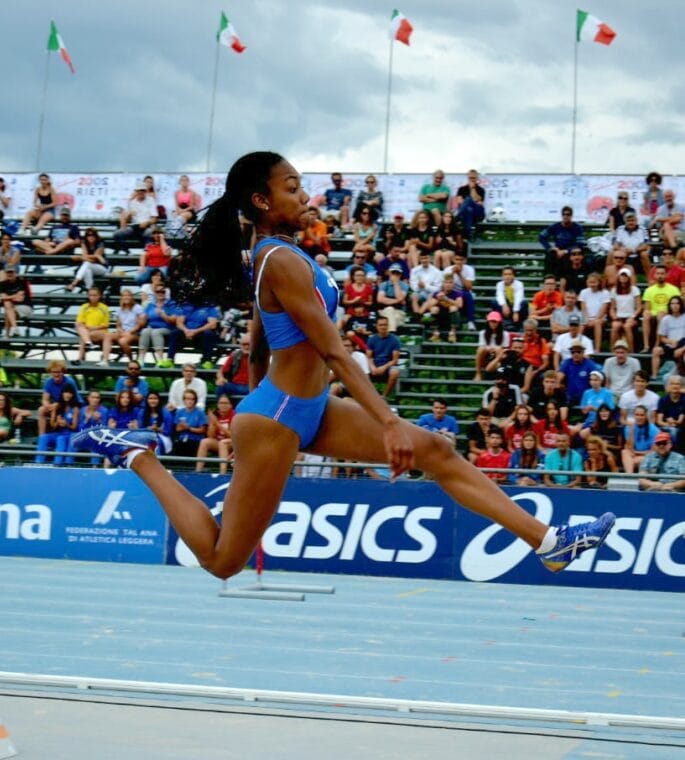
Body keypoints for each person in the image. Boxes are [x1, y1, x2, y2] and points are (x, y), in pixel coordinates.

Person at [73, 151, 614, 579]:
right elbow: (334, 351)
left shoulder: (280, 257)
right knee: (222, 560)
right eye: (291, 188)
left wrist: (252, 409)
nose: (304, 196)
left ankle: (549, 542)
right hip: (279, 417)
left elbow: (258, 345)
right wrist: (386, 422)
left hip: (298, 409)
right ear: (261, 200)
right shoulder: (278, 260)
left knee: (437, 450)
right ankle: (138, 455)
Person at [35, 384, 80, 465]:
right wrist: (57, 422)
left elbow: (74, 427)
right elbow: (52, 426)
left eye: (69, 393)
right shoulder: (57, 406)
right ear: (62, 393)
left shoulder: (75, 408)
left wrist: (66, 424)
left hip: (69, 434)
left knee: (61, 439)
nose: (67, 395)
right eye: (65, 392)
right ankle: (39, 462)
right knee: (44, 437)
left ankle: (57, 463)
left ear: (73, 395)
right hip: (59, 433)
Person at [98, 289, 145, 367]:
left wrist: (129, 332)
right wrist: (119, 330)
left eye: (128, 295)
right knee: (107, 335)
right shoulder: (120, 310)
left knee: (122, 341)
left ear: (131, 297)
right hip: (123, 333)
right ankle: (105, 360)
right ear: (122, 298)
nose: (126, 297)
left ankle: (131, 361)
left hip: (135, 334)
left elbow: (140, 324)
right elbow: (118, 325)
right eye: (124, 296)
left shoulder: (137, 308)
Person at [37, 360, 82, 437]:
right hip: (58, 407)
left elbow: (75, 400)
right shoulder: (48, 382)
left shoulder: (69, 381)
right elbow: (45, 399)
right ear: (50, 372)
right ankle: (41, 436)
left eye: (58, 372)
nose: (56, 374)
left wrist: (58, 404)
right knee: (41, 410)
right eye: (53, 372)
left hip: (71, 406)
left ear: (63, 372)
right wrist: (48, 406)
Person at [641, 265, 680, 352]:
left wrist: (666, 312)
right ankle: (646, 346)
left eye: (662, 274)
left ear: (666, 275)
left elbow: (677, 307)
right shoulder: (649, 290)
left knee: (660, 314)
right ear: (654, 275)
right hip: (653, 314)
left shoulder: (674, 289)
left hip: (667, 314)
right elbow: (647, 308)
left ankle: (657, 344)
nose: (660, 276)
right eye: (658, 273)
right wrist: (647, 313)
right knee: (646, 314)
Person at [539, 206, 586, 277]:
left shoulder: (577, 227)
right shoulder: (555, 226)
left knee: (567, 259)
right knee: (550, 255)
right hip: (557, 251)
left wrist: (565, 251)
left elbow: (580, 244)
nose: (565, 216)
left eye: (568, 214)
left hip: (570, 252)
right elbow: (541, 236)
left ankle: (564, 279)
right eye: (564, 214)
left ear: (571, 216)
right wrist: (550, 248)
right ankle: (549, 278)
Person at [138, 286, 179, 366]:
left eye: (162, 292)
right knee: (145, 331)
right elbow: (144, 320)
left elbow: (173, 320)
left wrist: (162, 315)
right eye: (158, 292)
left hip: (167, 328)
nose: (160, 293)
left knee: (156, 332)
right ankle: (141, 359)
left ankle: (160, 359)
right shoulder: (150, 305)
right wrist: (142, 318)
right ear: (154, 293)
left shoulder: (170, 304)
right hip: (152, 327)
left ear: (166, 293)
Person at [195, 395, 235, 474]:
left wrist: (217, 423)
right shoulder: (215, 415)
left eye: (226, 403)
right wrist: (212, 424)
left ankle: (222, 473)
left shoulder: (234, 415)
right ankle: (198, 470)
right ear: (218, 405)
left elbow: (232, 435)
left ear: (230, 405)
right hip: (219, 442)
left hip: (233, 443)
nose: (223, 405)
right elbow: (210, 436)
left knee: (222, 443)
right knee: (204, 442)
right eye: (221, 403)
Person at [557, 339, 601, 407]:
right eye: (573, 352)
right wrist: (559, 383)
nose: (576, 354)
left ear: (583, 352)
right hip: (570, 397)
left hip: (587, 397)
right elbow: (559, 375)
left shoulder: (589, 364)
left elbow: (598, 377)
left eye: (578, 352)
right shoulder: (567, 362)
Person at [114, 182, 158, 248]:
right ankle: (126, 250)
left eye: (142, 190)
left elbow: (155, 219)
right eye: (139, 190)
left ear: (145, 191)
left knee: (148, 233)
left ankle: (147, 251)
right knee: (117, 234)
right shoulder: (132, 202)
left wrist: (147, 222)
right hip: (134, 227)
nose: (141, 192)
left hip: (146, 227)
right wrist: (129, 215)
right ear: (136, 192)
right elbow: (127, 220)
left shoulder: (151, 200)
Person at [73, 287, 110, 364]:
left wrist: (93, 328)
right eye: (90, 295)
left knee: (84, 336)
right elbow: (80, 321)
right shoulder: (84, 306)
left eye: (95, 295)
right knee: (78, 325)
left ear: (99, 296)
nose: (92, 297)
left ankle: (80, 358)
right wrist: (86, 327)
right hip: (86, 331)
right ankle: (88, 343)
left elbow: (105, 325)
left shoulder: (104, 307)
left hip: (99, 332)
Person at [366, 315, 401, 397]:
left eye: (385, 325)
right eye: (381, 325)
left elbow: (395, 360)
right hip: (374, 364)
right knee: (361, 369)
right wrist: (372, 367)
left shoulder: (395, 340)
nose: (383, 327)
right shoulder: (372, 339)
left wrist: (384, 367)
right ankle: (368, 395)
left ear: (388, 326)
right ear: (377, 326)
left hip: (388, 365)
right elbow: (369, 357)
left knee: (395, 372)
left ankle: (384, 396)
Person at [0, 265, 32, 337]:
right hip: (12, 308)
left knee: (7, 308)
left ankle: (7, 335)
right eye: (8, 272)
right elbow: (7, 297)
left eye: (11, 272)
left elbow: (20, 298)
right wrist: (12, 297)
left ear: (15, 273)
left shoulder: (23, 282)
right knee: (7, 305)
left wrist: (1, 298)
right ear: (5, 273)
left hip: (25, 306)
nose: (10, 274)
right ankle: (15, 329)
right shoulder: (3, 284)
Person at [608, 269, 642, 351]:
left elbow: (639, 307)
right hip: (619, 317)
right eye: (622, 276)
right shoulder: (614, 290)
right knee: (615, 326)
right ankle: (613, 350)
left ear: (629, 278)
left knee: (627, 326)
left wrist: (633, 317)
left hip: (631, 316)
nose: (623, 278)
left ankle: (631, 351)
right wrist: (614, 316)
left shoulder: (634, 289)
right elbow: (612, 308)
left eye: (625, 276)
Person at [424, 273, 462, 343]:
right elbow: (428, 306)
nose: (448, 285)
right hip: (439, 317)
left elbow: (460, 305)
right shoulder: (437, 293)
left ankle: (452, 334)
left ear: (454, 284)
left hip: (452, 318)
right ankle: (435, 334)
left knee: (453, 308)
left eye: (450, 282)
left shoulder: (458, 294)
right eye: (446, 282)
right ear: (443, 284)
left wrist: (446, 299)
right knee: (434, 309)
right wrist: (438, 299)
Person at [67, 228, 108, 292]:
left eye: (93, 235)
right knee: (87, 270)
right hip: (89, 267)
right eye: (88, 235)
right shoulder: (84, 243)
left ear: (96, 236)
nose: (91, 237)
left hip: (101, 268)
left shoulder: (100, 244)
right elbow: (88, 257)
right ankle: (89, 289)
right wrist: (95, 256)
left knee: (87, 263)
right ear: (86, 237)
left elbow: (93, 260)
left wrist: (80, 257)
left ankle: (74, 283)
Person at [443, 252, 476, 330]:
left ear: (465, 261)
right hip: (451, 292)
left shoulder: (469, 269)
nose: (458, 262)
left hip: (463, 291)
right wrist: (452, 273)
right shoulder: (448, 269)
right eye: (457, 259)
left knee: (468, 295)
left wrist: (459, 274)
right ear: (453, 260)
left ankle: (471, 321)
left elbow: (469, 287)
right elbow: (445, 286)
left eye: (461, 260)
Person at [622, 405, 660, 473]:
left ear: (646, 416)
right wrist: (631, 430)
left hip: (648, 456)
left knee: (633, 461)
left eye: (642, 415)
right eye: (637, 415)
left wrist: (638, 453)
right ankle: (629, 475)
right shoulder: (629, 428)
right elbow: (629, 447)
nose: (639, 417)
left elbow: (654, 451)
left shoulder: (654, 430)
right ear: (634, 416)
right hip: (634, 455)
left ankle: (629, 474)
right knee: (624, 452)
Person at [611, 211, 651, 276]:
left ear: (636, 221)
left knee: (644, 254)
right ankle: (611, 276)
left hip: (638, 253)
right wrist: (623, 250)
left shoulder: (643, 229)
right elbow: (615, 245)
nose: (631, 223)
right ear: (625, 222)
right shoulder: (619, 229)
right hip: (623, 253)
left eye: (632, 220)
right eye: (628, 221)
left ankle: (650, 278)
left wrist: (634, 250)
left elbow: (645, 245)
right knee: (611, 253)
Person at [578, 272, 610, 354]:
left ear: (599, 282)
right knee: (581, 324)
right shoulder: (584, 292)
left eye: (594, 282)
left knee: (597, 323)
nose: (592, 284)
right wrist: (587, 319)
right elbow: (583, 308)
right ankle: (577, 346)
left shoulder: (605, 293)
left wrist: (595, 319)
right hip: (587, 317)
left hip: (600, 318)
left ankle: (597, 348)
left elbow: (603, 309)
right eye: (590, 282)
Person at [474, 311, 509, 381]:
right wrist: (490, 349)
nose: (493, 324)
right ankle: (478, 373)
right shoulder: (483, 333)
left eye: (495, 322)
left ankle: (500, 375)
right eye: (491, 321)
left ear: (499, 323)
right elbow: (481, 348)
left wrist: (496, 350)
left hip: (497, 359)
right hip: (486, 357)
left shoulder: (505, 334)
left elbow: (505, 350)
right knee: (481, 349)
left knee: (499, 349)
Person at [173, 389, 208, 458]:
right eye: (187, 399)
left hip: (196, 439)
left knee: (190, 445)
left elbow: (202, 430)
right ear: (184, 400)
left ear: (195, 400)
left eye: (192, 399)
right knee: (178, 445)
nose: (189, 401)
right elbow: (177, 429)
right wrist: (182, 426)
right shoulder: (179, 412)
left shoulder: (200, 412)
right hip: (182, 439)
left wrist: (189, 428)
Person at [375, 265, 409, 332]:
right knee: (390, 309)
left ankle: (390, 333)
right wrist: (397, 301)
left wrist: (396, 283)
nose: (395, 275)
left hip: (399, 312)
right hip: (384, 312)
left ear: (400, 274)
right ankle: (392, 333)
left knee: (392, 319)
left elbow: (400, 298)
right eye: (393, 273)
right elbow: (380, 299)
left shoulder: (404, 285)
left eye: (397, 273)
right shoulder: (384, 284)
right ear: (389, 273)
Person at [408, 252, 442, 320]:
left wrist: (425, 287)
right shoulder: (414, 270)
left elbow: (437, 289)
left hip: (431, 294)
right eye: (422, 259)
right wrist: (419, 286)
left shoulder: (437, 272)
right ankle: (416, 314)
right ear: (419, 259)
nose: (424, 260)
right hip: (420, 292)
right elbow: (413, 287)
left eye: (426, 258)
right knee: (413, 295)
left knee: (431, 296)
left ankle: (418, 316)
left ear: (430, 259)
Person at [453, 169, 485, 239]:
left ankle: (457, 217)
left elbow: (478, 200)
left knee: (468, 199)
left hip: (478, 213)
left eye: (474, 178)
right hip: (467, 212)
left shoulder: (481, 190)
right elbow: (459, 201)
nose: (472, 180)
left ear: (477, 178)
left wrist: (472, 188)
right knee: (469, 209)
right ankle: (468, 235)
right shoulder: (461, 189)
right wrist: (473, 201)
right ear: (468, 177)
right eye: (470, 178)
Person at [655, 374, 685, 444]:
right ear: (668, 386)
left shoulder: (684, 399)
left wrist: (675, 423)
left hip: (682, 427)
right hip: (667, 426)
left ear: (681, 387)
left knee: (676, 431)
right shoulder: (663, 400)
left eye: (677, 384)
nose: (675, 386)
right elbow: (659, 421)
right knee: (673, 430)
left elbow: (680, 421)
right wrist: (669, 424)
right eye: (672, 384)